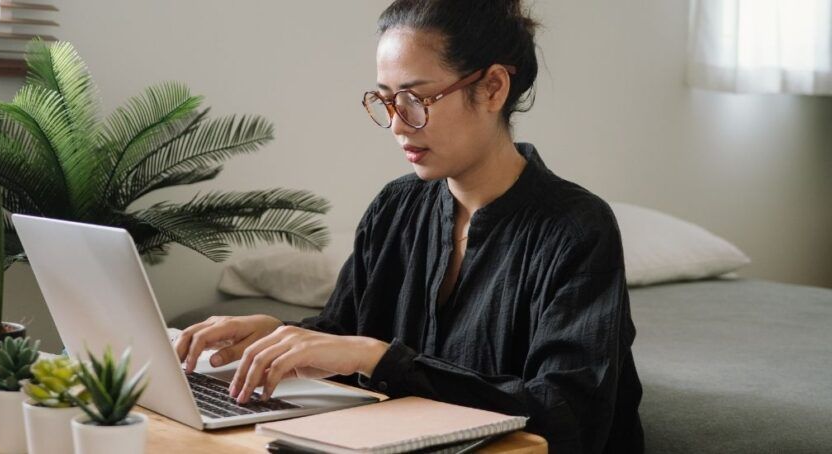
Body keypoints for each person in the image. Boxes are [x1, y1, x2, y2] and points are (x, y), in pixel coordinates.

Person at [175, 0, 644, 452]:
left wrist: (378, 359)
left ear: (494, 88)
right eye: (385, 101)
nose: (398, 125)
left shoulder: (576, 228)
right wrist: (276, 334)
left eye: (415, 99)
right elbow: (345, 336)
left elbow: (566, 418)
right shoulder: (396, 206)